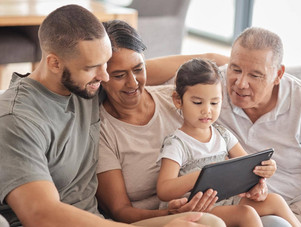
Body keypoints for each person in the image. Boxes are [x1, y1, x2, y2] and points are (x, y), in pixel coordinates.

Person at [0, 5, 224, 227]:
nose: (105, 76)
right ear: (54, 63)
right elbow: (41, 215)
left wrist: (227, 62)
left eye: (107, 65)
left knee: (211, 223)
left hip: (100, 221)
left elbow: (155, 70)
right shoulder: (16, 120)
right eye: (94, 67)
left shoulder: (84, 84)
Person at [96, 20, 290, 227]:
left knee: (275, 213)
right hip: (161, 217)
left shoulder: (184, 98)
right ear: (101, 75)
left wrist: (258, 181)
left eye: (138, 69)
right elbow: (121, 211)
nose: (133, 83)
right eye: (118, 75)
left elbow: (214, 69)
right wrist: (173, 213)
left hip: (216, 202)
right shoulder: (103, 131)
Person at [146, 27, 301, 227]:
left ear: (278, 74)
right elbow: (142, 74)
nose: (240, 84)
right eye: (235, 69)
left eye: (255, 75)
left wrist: (262, 178)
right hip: (219, 205)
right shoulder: (210, 87)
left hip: (284, 203)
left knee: (274, 206)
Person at [156, 58, 301, 227]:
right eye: (197, 102)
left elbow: (248, 166)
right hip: (198, 207)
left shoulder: (222, 134)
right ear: (178, 100)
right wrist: (201, 176)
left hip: (227, 200)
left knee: (276, 200)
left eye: (214, 102)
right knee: (246, 214)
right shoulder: (177, 143)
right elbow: (164, 190)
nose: (207, 110)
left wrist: (264, 173)